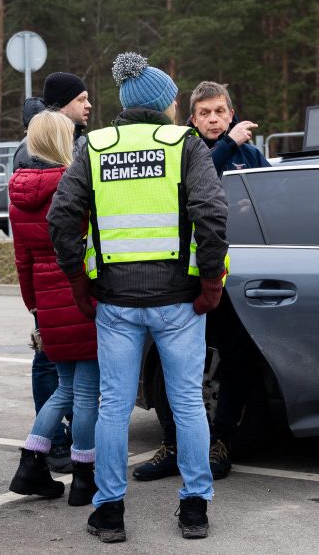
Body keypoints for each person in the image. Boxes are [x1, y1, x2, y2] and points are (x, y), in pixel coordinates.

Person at [48, 52, 229, 542]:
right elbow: (212, 214)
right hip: (180, 300)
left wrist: (79, 281)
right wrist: (211, 281)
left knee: (113, 406)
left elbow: (61, 219)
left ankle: (109, 513)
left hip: (115, 302)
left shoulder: (95, 146)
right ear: (161, 104)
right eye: (172, 99)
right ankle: (194, 509)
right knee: (188, 402)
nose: (175, 107)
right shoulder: (185, 143)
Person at [133, 80, 271, 482]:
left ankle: (221, 441)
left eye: (220, 112)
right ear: (192, 119)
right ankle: (173, 445)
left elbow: (272, 203)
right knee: (179, 366)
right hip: (186, 278)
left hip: (236, 280)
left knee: (237, 359)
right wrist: (227, 144)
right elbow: (196, 182)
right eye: (205, 113)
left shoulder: (252, 155)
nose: (214, 119)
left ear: (232, 112)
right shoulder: (183, 150)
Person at [6, 110, 99, 506]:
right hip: (80, 294)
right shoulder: (72, 182)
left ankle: (29, 465)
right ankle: (83, 478)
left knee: (64, 388)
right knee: (88, 393)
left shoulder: (18, 193)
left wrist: (36, 310)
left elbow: (22, 261)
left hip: (46, 300)